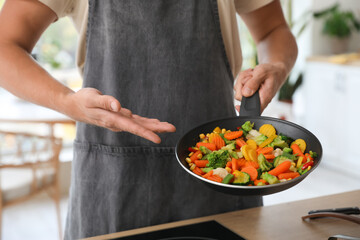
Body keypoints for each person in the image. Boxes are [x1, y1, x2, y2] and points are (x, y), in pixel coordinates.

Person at [0, 0, 297, 239]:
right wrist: (67, 101)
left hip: (219, 175)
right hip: (111, 182)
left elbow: (273, 30)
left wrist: (276, 66)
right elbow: (5, 45)